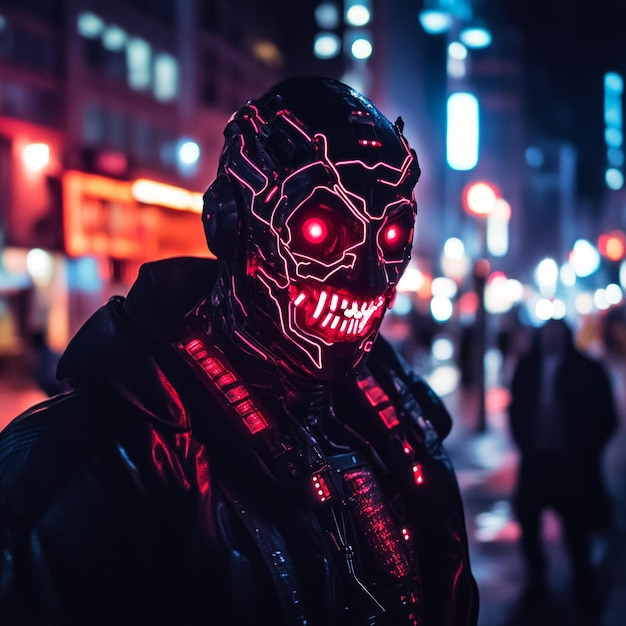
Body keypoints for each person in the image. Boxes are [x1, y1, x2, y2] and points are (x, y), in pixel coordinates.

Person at [0, 77, 479, 625]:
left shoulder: (394, 415)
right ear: (231, 222)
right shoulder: (81, 465)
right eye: (323, 231)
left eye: (390, 237)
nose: (367, 276)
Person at [507, 317, 618, 609]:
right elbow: (516, 407)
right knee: (527, 517)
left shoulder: (587, 370)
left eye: (556, 333)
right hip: (536, 460)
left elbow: (607, 417)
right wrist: (524, 441)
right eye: (547, 333)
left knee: (576, 526)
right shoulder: (528, 368)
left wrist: (586, 449)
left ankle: (584, 582)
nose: (550, 339)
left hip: (572, 464)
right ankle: (537, 579)